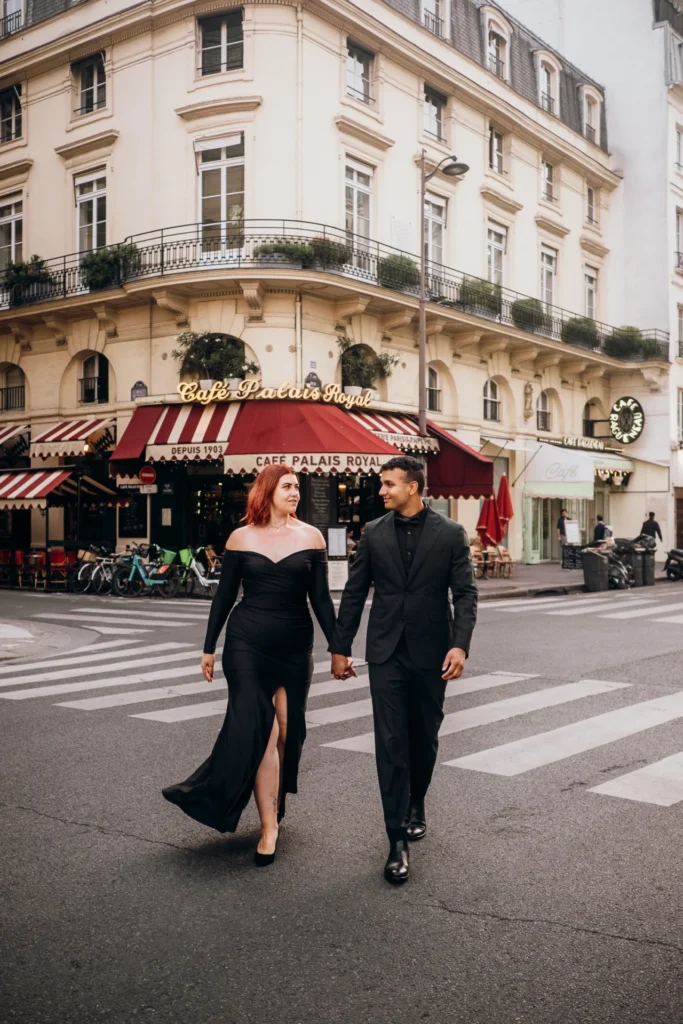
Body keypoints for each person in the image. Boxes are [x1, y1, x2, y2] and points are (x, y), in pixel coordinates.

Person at [162, 464, 336, 867]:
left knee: (289, 733)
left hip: (294, 644)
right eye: (287, 486)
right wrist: (209, 647)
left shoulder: (311, 536)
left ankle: (273, 797)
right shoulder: (241, 537)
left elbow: (322, 600)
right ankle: (268, 826)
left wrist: (339, 647)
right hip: (246, 644)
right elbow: (223, 597)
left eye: (297, 487)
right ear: (268, 491)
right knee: (262, 730)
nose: (295, 493)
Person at [329, 455, 478, 886]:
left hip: (433, 651)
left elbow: (465, 594)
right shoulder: (373, 534)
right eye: (381, 484)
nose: (382, 490)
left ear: (413, 487)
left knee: (424, 735)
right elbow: (354, 594)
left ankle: (417, 801)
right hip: (387, 652)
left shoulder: (450, 534)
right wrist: (340, 648)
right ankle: (396, 840)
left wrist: (460, 645)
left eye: (389, 484)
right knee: (391, 741)